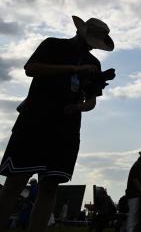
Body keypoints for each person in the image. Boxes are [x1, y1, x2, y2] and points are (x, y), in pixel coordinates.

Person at [0, 16, 115, 232]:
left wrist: (79, 107)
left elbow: (91, 102)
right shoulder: (53, 45)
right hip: (35, 120)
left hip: (66, 129)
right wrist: (73, 69)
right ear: (81, 33)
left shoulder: (94, 64)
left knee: (50, 188)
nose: (92, 47)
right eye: (91, 41)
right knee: (15, 183)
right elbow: (31, 68)